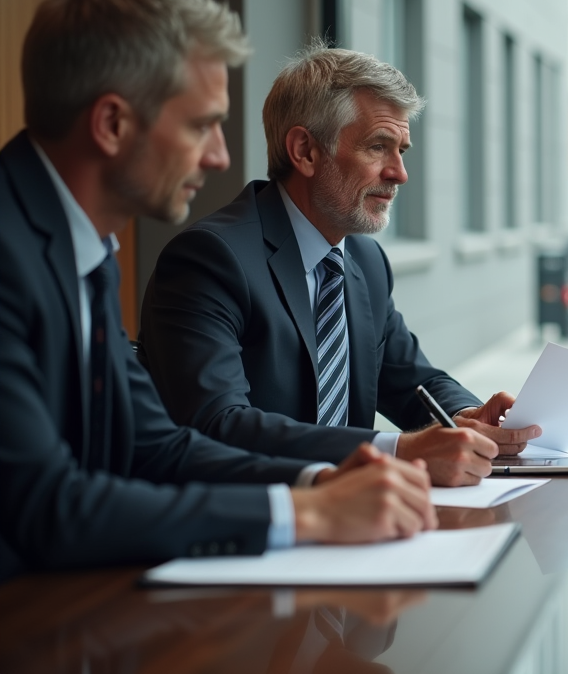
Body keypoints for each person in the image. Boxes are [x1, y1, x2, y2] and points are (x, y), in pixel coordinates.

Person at [0, 0, 438, 581]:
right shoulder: (14, 252)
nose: (220, 155)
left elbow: (159, 445)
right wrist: (305, 514)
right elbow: (49, 506)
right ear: (112, 124)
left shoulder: (80, 247)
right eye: (201, 124)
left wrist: (325, 482)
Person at [138, 42, 541, 487]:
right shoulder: (210, 258)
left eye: (402, 150)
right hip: (253, 525)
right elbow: (217, 424)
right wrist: (397, 449)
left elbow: (411, 380)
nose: (399, 173)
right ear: (305, 151)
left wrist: (469, 416)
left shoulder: (364, 259)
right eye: (377, 147)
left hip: (356, 523)